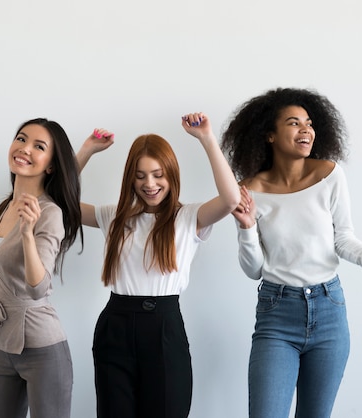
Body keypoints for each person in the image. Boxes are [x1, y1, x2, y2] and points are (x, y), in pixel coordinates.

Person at [222, 87, 362, 418]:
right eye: (293, 123)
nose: (305, 130)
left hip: (329, 312)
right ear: (268, 135)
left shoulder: (330, 174)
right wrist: (247, 227)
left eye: (309, 123)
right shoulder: (252, 191)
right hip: (276, 314)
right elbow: (254, 270)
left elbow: (343, 239)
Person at [76, 114, 241, 418]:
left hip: (164, 327)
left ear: (171, 175)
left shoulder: (190, 217)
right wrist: (86, 150)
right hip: (116, 326)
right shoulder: (114, 217)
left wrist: (206, 138)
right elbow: (58, 203)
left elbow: (231, 199)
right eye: (140, 176)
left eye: (157, 174)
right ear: (130, 178)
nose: (149, 184)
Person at [0, 118, 82, 418]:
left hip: (43, 349)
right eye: (21, 139)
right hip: (2, 346)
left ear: (50, 165)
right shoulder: (8, 206)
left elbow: (38, 288)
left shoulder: (49, 213)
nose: (24, 148)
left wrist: (26, 234)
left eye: (38, 146)